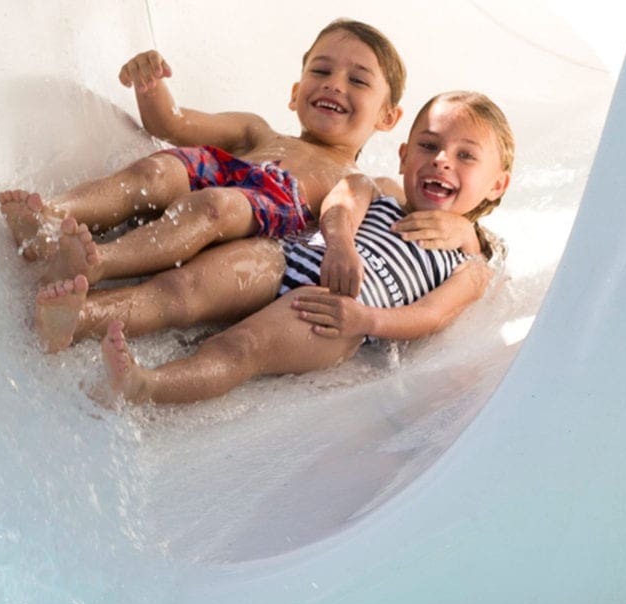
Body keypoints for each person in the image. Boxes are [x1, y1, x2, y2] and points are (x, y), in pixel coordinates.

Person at [34, 91, 514, 404]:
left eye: (465, 156)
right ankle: (75, 321)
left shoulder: (472, 265)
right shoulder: (384, 188)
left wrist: (368, 321)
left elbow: (431, 315)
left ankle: (147, 385)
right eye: (429, 146)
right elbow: (342, 204)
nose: (442, 161)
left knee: (240, 349)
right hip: (292, 255)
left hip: (337, 313)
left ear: (497, 184)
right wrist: (341, 244)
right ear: (406, 155)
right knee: (180, 288)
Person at [0, 19, 415, 296]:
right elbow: (173, 125)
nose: (334, 85)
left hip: (259, 210)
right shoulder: (257, 130)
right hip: (224, 175)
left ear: (388, 117)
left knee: (213, 205)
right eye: (321, 72)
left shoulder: (364, 181)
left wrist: (456, 225)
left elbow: (411, 206)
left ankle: (100, 262)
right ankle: (53, 217)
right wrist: (150, 85)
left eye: (358, 80)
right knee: (157, 169)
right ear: (294, 93)